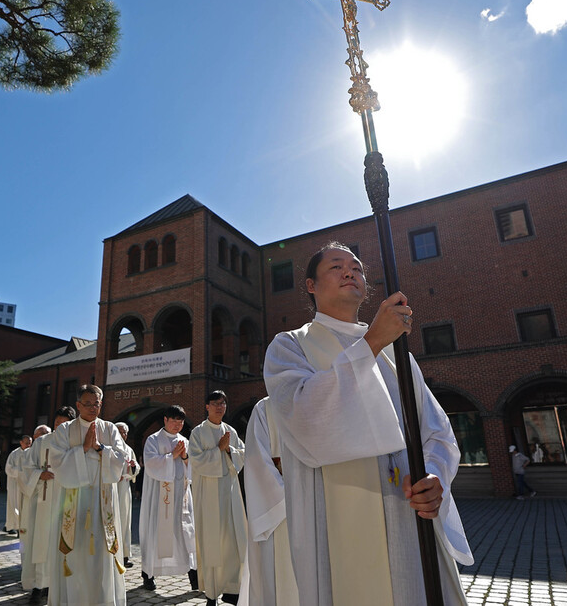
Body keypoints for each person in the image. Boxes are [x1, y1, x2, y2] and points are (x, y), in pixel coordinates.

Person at [263, 242, 473, 606]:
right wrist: (372, 341)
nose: (350, 272)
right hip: (338, 527)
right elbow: (305, 417)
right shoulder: (290, 346)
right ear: (310, 285)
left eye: (357, 267)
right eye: (336, 266)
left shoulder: (397, 353)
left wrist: (435, 475)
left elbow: (436, 430)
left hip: (411, 516)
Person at [46, 385, 130, 606]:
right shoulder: (64, 431)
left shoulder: (109, 429)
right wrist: (82, 449)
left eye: (97, 404)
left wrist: (100, 447)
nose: (93, 408)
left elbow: (122, 459)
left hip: (103, 503)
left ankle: (102, 600)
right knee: (77, 552)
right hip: (75, 502)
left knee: (102, 553)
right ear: (78, 405)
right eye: (88, 404)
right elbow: (57, 463)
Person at [237, 397, 298, 606]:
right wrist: (290, 497)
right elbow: (256, 461)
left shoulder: (325, 395)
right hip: (279, 509)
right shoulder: (265, 408)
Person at [189, 391, 246, 606]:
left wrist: (229, 450)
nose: (220, 407)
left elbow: (242, 455)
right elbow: (196, 461)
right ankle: (212, 593)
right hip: (208, 493)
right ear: (206, 407)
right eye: (215, 403)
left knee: (232, 540)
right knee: (212, 541)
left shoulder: (230, 431)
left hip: (229, 491)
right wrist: (218, 450)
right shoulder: (198, 432)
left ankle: (232, 589)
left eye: (223, 403)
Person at [20, 407, 76, 605]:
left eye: (64, 423)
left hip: (66, 502)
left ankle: (58, 584)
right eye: (57, 423)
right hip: (43, 500)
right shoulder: (42, 442)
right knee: (41, 543)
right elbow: (26, 468)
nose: (59, 427)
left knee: (63, 543)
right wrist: (38, 474)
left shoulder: (75, 443)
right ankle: (39, 585)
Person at [139, 405, 197, 593]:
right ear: (165, 419)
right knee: (155, 532)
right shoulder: (153, 440)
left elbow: (192, 467)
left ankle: (193, 575)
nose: (177, 425)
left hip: (180, 495)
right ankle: (148, 575)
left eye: (180, 422)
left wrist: (185, 456)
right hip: (159, 496)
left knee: (186, 532)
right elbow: (150, 463)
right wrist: (172, 456)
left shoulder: (184, 440)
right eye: (174, 421)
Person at [115, 422, 140, 569]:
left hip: (123, 487)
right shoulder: (108, 447)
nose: (122, 434)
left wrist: (132, 467)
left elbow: (136, 468)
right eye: (119, 431)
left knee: (125, 521)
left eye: (124, 432)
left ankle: (124, 555)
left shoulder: (128, 449)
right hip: (110, 487)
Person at [4, 435, 32, 534]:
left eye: (30, 443)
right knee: (13, 504)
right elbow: (8, 468)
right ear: (21, 442)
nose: (28, 445)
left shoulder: (32, 453)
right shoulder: (14, 454)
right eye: (26, 443)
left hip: (27, 484)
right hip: (15, 484)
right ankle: (12, 526)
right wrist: (21, 472)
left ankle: (23, 527)